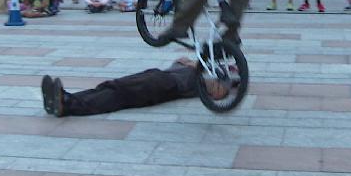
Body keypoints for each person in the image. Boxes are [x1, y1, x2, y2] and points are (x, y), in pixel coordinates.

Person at [40, 57, 230, 117]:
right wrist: (195, 64)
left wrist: (222, 82)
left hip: (164, 86)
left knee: (118, 94)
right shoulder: (192, 66)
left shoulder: (201, 84)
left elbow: (219, 93)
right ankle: (63, 98)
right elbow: (181, 59)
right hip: (155, 75)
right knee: (111, 87)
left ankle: (66, 103)